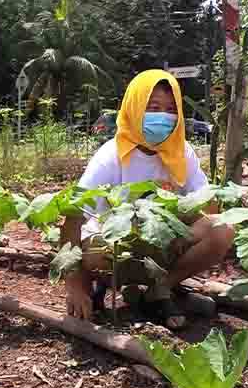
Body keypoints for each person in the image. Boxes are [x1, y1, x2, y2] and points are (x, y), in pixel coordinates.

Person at [61, 69, 234, 330]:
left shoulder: (181, 151)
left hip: (161, 243)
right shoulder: (112, 154)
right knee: (95, 254)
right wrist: (74, 285)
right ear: (135, 106)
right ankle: (102, 288)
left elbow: (206, 202)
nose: (163, 116)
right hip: (117, 245)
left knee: (221, 229)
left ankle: (160, 288)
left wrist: (187, 234)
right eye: (153, 107)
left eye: (170, 109)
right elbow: (74, 217)